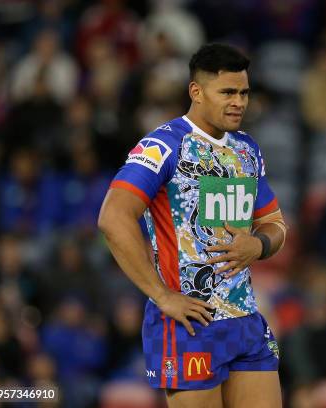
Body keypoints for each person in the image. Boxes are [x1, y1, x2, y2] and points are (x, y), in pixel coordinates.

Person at [98, 43, 286, 407]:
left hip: (245, 319)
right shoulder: (162, 146)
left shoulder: (247, 150)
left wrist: (259, 245)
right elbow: (113, 217)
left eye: (244, 92)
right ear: (196, 92)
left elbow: (275, 224)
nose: (239, 102)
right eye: (228, 92)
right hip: (189, 324)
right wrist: (162, 295)